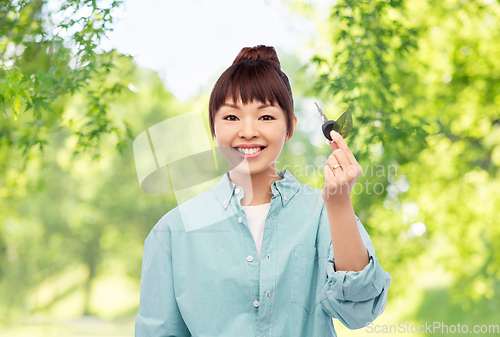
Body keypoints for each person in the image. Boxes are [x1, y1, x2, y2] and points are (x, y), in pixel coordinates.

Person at [135, 45, 391, 337]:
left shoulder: (323, 213)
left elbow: (361, 312)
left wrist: (339, 203)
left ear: (290, 126)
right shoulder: (171, 232)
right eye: (231, 117)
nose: (248, 131)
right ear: (213, 127)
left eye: (265, 117)